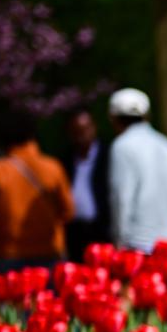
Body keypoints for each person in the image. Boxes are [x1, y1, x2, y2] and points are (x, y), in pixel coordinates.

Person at [0, 110, 73, 272]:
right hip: (49, 250)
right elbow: (68, 211)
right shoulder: (53, 167)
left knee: (14, 298)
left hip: (10, 253)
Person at [107, 88, 167, 253]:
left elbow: (121, 198)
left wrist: (119, 242)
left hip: (137, 243)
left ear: (113, 118)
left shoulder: (121, 146)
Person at [62, 109, 111, 262]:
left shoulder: (109, 155)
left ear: (94, 128)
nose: (81, 135)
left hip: (102, 230)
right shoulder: (66, 159)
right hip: (76, 233)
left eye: (85, 129)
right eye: (76, 131)